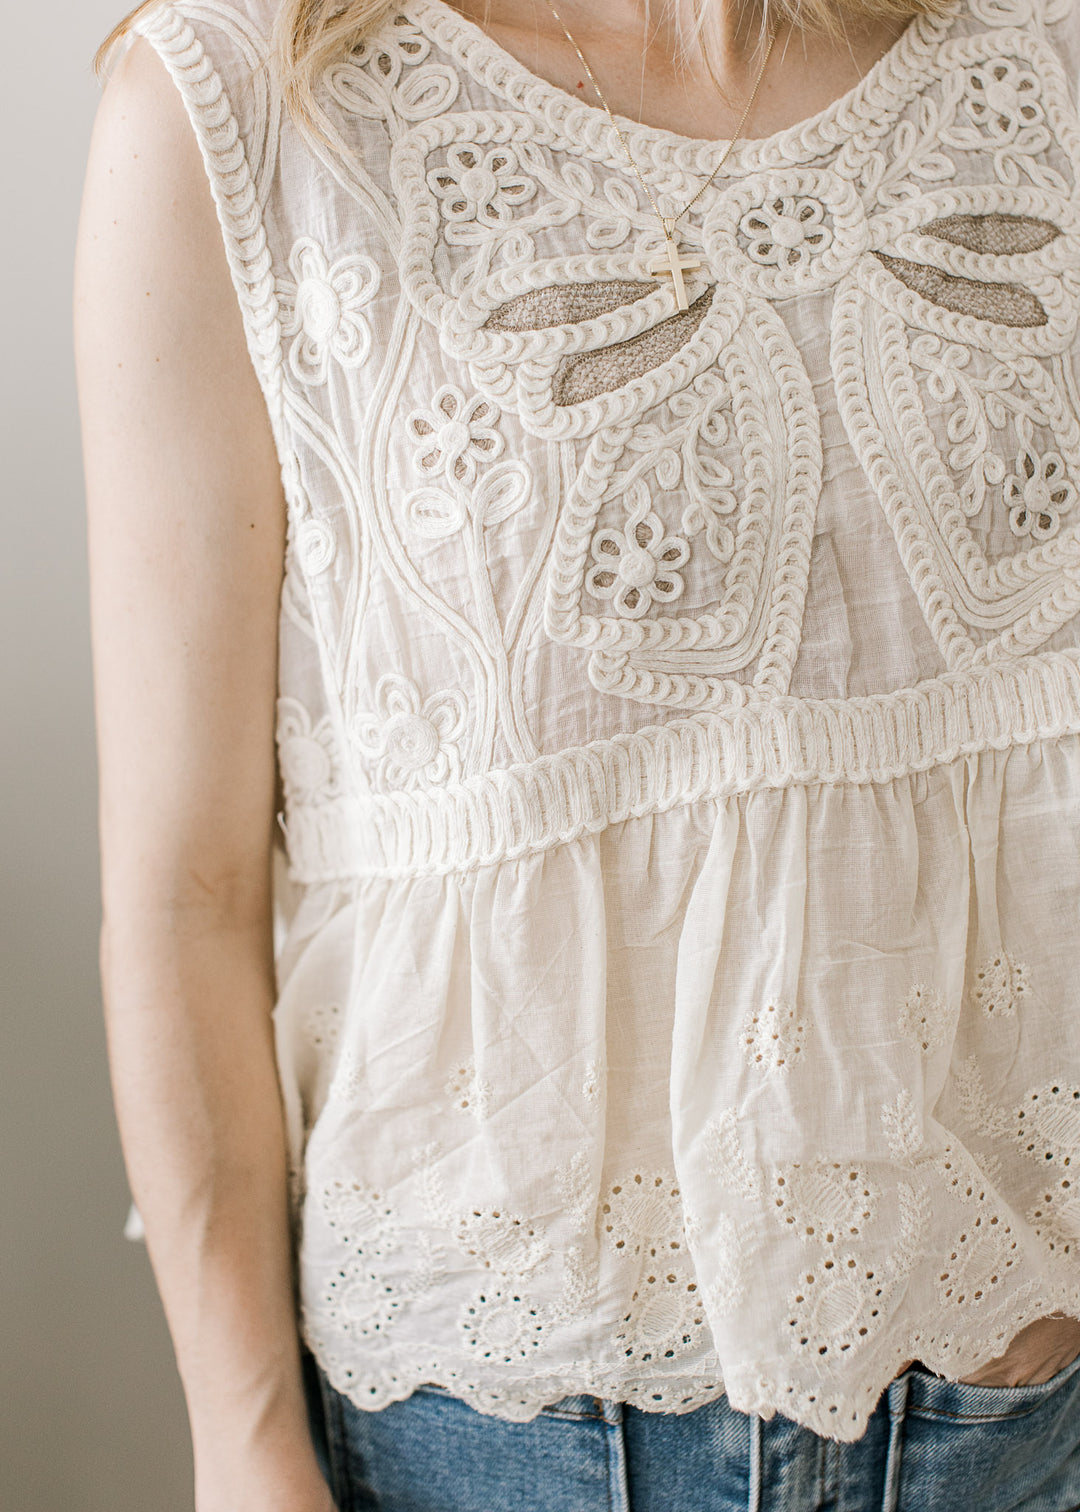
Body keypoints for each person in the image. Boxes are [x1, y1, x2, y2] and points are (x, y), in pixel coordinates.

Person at [74, 0, 1080, 1505]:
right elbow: (185, 892)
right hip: (517, 1437)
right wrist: (244, 1444)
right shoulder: (242, 115)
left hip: (1027, 1407)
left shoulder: (1037, 54)